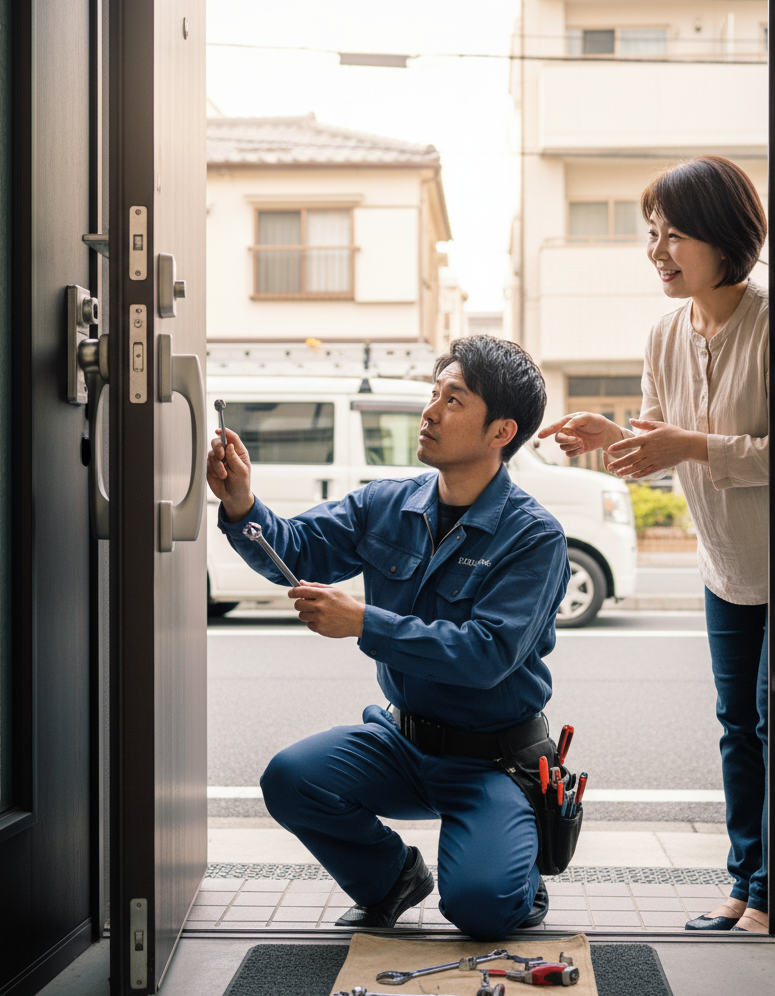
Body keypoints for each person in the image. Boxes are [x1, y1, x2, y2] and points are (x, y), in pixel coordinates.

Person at [206, 336, 570, 941]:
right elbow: (295, 548)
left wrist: (364, 622)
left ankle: (518, 877)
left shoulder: (534, 537)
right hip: (401, 743)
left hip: (493, 762)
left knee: (482, 910)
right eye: (434, 393)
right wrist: (243, 501)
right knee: (291, 778)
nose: (429, 412)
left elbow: (487, 656)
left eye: (454, 400)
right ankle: (391, 878)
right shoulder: (387, 503)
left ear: (501, 431)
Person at [539, 156, 770, 934]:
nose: (657, 251)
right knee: (738, 724)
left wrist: (692, 446)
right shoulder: (665, 332)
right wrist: (611, 436)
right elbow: (654, 445)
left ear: (725, 237)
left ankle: (773, 891)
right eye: (651, 234)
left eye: (675, 234)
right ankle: (745, 884)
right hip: (723, 566)